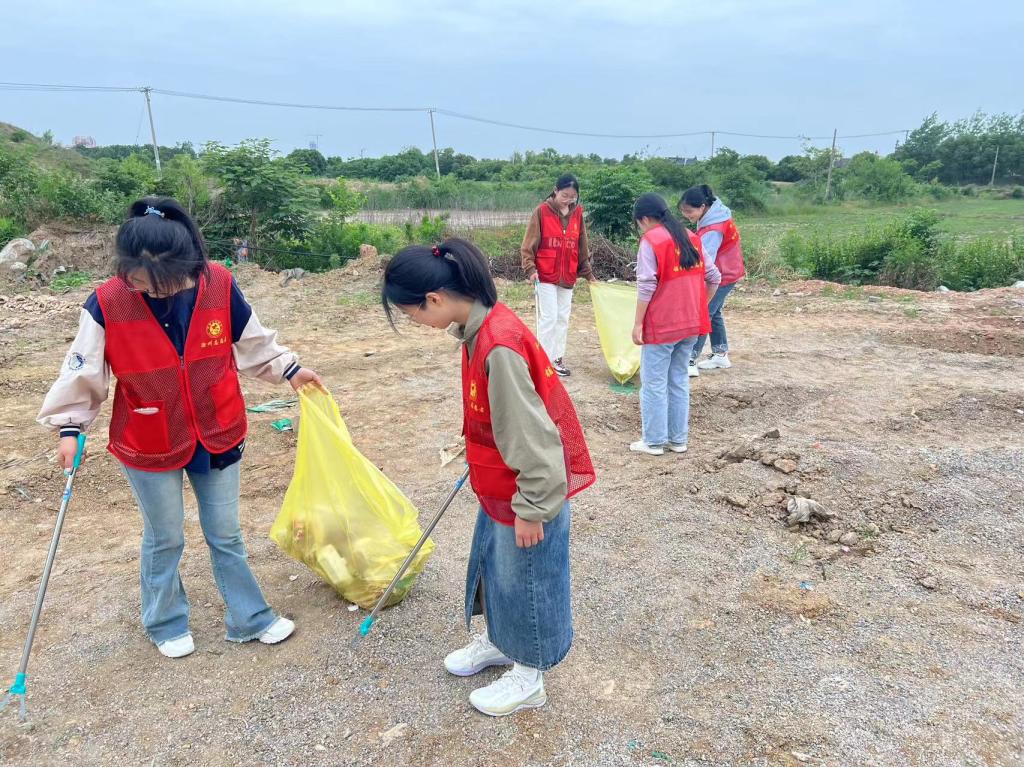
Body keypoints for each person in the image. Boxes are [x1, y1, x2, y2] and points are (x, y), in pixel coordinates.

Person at [38, 197, 323, 659]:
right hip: (148, 436)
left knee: (226, 533)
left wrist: (289, 370)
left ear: (182, 266)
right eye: (135, 280)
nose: (145, 290)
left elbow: (253, 341)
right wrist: (70, 428)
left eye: (154, 282)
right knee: (165, 536)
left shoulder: (219, 283)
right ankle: (165, 621)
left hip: (217, 426)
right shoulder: (107, 301)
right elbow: (82, 369)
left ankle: (249, 618)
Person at [382, 238, 595, 716]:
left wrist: (533, 509)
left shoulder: (498, 344)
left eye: (412, 314)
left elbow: (534, 438)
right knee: (496, 570)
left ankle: (529, 675)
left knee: (527, 580)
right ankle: (502, 640)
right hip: (501, 484)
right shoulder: (476, 330)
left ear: (434, 299)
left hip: (526, 494)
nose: (416, 323)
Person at [630, 193, 711, 456]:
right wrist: (700, 305)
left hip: (662, 325)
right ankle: (678, 440)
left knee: (654, 383)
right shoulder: (691, 237)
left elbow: (646, 285)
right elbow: (714, 276)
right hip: (690, 324)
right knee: (678, 380)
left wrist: (638, 323)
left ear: (644, 219)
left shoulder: (651, 241)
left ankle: (653, 442)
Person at [520, 173, 597, 377]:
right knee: (549, 317)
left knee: (563, 317)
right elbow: (528, 244)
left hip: (568, 276)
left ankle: (557, 359)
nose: (568, 200)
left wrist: (588, 273)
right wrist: (530, 269)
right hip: (544, 275)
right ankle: (542, 361)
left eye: (573, 197)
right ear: (555, 191)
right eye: (565, 195)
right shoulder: (541, 212)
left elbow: (582, 245)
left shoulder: (577, 214)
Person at [678, 185, 745, 376]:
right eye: (683, 211)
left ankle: (690, 360)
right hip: (729, 270)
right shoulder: (716, 215)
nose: (686, 216)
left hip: (722, 275)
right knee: (714, 312)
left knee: (703, 313)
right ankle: (720, 354)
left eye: (689, 211)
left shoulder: (712, 229)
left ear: (702, 206)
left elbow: (704, 262)